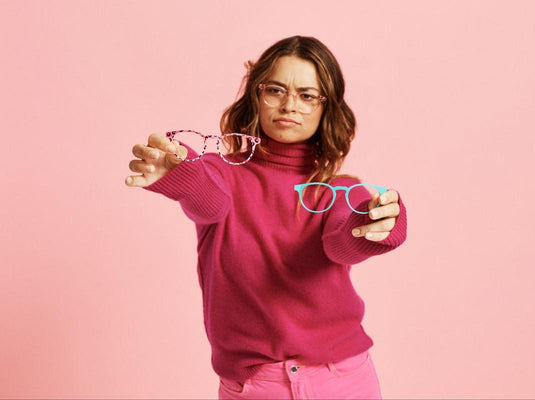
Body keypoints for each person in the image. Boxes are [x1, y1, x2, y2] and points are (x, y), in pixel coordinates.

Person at [125, 35, 407, 400]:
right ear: (257, 96)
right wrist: (180, 173)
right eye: (276, 89)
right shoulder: (221, 173)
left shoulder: (339, 191)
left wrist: (378, 227)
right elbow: (208, 201)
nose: (290, 105)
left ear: (327, 108)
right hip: (255, 387)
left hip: (342, 380)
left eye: (308, 95)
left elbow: (341, 243)